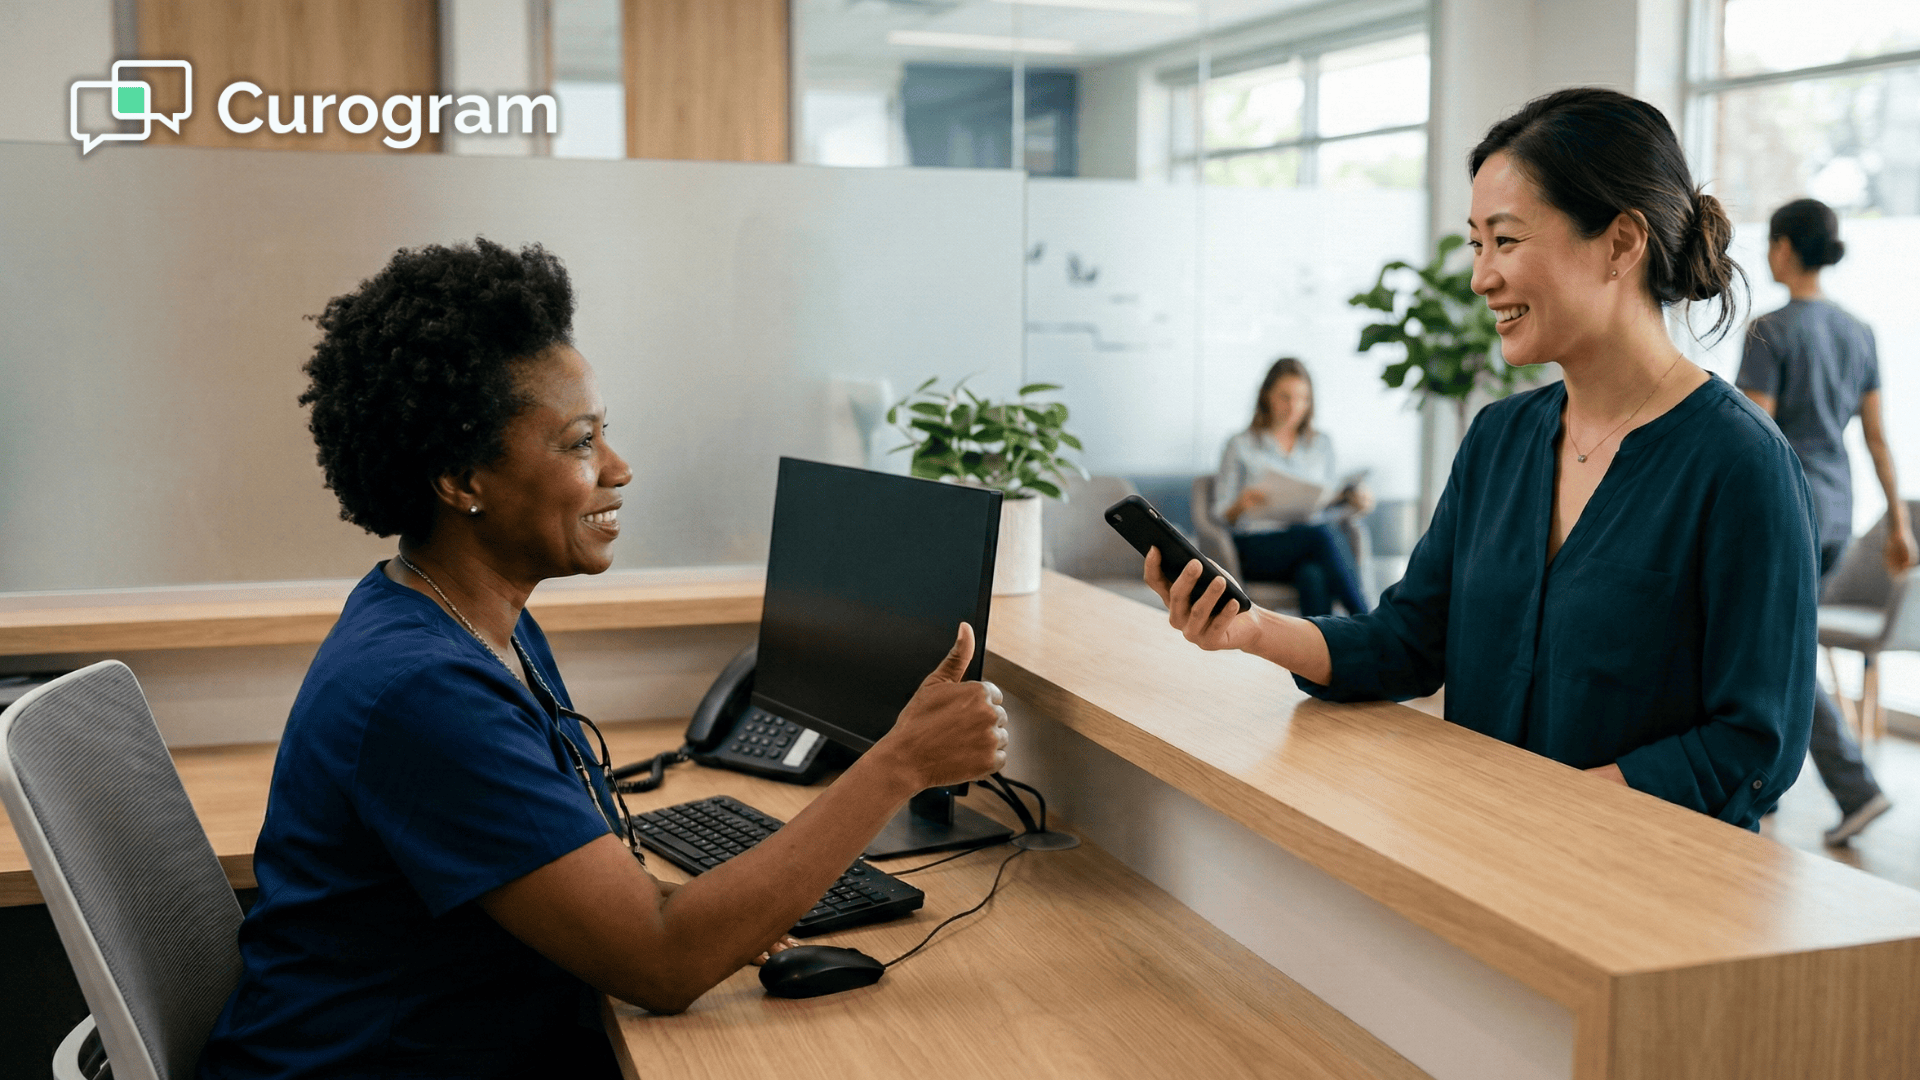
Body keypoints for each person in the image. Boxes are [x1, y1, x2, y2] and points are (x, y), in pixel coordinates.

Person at [197, 239, 1008, 1079]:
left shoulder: (462, 620)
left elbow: (598, 891)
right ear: (461, 478)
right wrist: (898, 764)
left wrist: (721, 906)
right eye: (579, 443)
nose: (618, 469)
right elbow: (658, 965)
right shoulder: (424, 691)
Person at [1144, 88, 1817, 830]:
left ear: (1621, 244)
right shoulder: (1500, 440)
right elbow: (1406, 643)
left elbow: (1757, 744)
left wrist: (1556, 812)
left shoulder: (1741, 466)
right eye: (1476, 243)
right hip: (1483, 866)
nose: (1480, 276)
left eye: (1507, 240)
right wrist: (1250, 629)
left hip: (1643, 903)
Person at [1738, 197, 1914, 845]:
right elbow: (1877, 439)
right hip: (1838, 507)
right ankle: (1764, 782)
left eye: (1771, 241)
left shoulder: (1770, 331)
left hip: (1785, 506)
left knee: (1774, 648)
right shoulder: (1857, 331)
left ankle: (1855, 786)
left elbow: (1751, 435)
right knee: (1769, 641)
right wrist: (1898, 524)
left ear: (1786, 247)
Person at [1213, 357, 1374, 617]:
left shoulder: (1321, 445)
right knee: (1321, 535)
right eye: (1285, 397)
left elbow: (1327, 506)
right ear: (1266, 396)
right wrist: (1240, 505)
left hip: (1308, 543)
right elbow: (1221, 513)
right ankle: (1368, 622)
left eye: (1302, 398)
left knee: (1313, 573)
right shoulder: (1240, 444)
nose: (1293, 406)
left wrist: (1352, 503)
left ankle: (1320, 656)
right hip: (1258, 546)